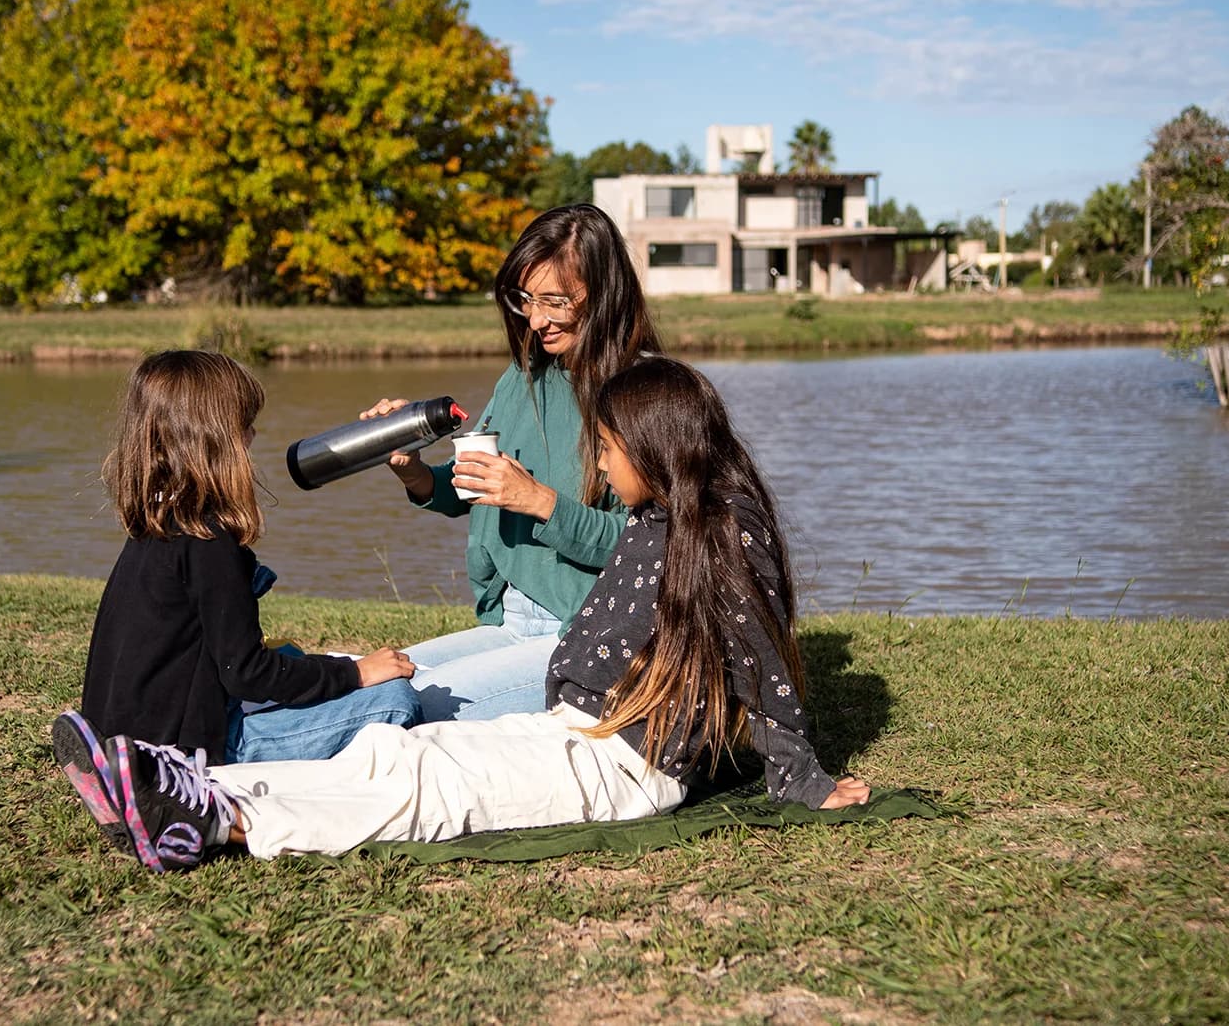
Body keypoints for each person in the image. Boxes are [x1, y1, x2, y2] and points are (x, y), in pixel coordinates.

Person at [54, 356, 870, 871]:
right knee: (392, 748)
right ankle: (176, 786)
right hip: (572, 731)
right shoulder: (664, 518)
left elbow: (761, 661)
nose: (598, 460)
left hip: (617, 766)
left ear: (661, 450)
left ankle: (215, 815)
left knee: (424, 784)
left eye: (610, 448)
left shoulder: (724, 530)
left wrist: (799, 774)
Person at [56, 351, 419, 848]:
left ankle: (118, 769)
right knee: (394, 700)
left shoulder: (158, 522)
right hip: (197, 745)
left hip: (125, 728)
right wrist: (354, 674)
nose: (252, 438)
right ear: (214, 440)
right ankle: (162, 784)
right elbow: (246, 673)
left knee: (301, 661)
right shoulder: (210, 542)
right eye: (244, 426)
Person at [359, 203, 663, 721]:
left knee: (399, 708)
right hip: (509, 618)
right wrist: (413, 472)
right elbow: (476, 489)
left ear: (603, 294)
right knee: (373, 687)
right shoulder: (523, 376)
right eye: (526, 300)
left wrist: (542, 503)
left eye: (555, 301)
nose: (536, 320)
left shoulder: (646, 393)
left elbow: (664, 551)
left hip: (585, 630)